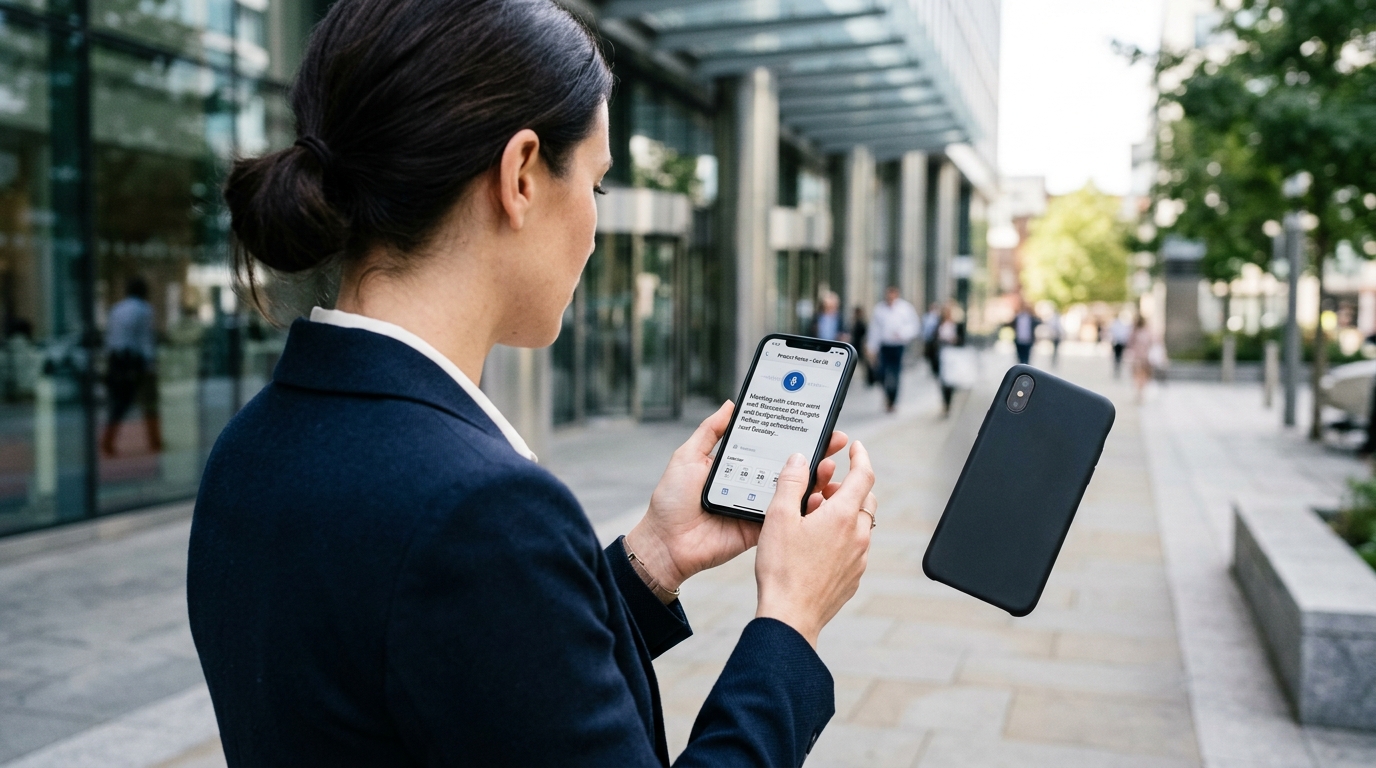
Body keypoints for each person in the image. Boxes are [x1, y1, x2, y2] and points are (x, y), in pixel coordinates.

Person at [188, 2, 878, 765]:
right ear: (520, 176)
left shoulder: (249, 446)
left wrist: (654, 556)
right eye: (597, 185)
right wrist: (788, 622)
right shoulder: (479, 509)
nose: (593, 225)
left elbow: (466, 678)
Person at [102, 276, 160, 456]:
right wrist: (150, 364)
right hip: (136, 360)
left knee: (119, 403)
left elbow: (110, 337)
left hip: (116, 360)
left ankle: (108, 440)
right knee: (149, 402)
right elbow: (145, 340)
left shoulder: (117, 309)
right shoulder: (144, 310)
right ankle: (154, 441)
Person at [867, 286, 920, 413]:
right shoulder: (879, 309)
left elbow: (914, 326)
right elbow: (874, 330)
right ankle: (887, 394)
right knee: (882, 372)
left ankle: (892, 400)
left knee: (895, 374)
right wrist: (871, 347)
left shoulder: (905, 308)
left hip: (898, 346)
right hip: (884, 346)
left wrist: (902, 333)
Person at [936, 305, 960, 415]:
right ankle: (945, 402)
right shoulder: (939, 325)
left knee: (950, 381)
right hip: (942, 355)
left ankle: (949, 403)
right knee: (943, 381)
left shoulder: (956, 325)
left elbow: (961, 340)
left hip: (953, 356)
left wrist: (954, 340)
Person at [1129, 315, 1154, 403]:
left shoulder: (1135, 331)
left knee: (1139, 376)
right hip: (1142, 357)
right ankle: (1140, 392)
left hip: (1139, 357)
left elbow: (1129, 343)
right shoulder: (1146, 331)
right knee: (1142, 376)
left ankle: (1140, 392)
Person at [1010, 299, 1039, 366]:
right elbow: (1011, 324)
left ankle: (1025, 370)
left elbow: (1038, 321)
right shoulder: (1017, 317)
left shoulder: (1031, 318)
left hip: (1028, 340)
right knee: (1020, 357)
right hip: (1019, 340)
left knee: (1027, 358)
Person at [850, 305, 871, 384]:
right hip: (856, 345)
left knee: (862, 363)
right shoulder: (855, 322)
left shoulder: (861, 323)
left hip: (859, 345)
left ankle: (867, 378)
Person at [921, 302, 941, 377]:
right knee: (928, 354)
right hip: (928, 339)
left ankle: (935, 369)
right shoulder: (926, 317)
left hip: (935, 340)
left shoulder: (937, 317)